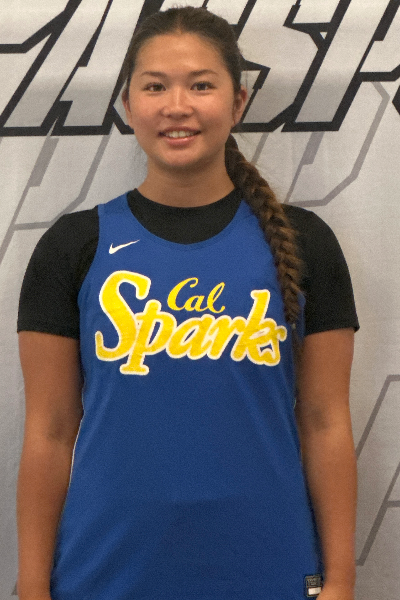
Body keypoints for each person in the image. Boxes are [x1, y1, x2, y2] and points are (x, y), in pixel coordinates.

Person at [16, 6, 359, 600]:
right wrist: (31, 585)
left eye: (201, 85)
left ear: (238, 102)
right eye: (155, 87)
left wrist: (342, 580)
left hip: (269, 567)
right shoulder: (73, 246)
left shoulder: (305, 243)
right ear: (128, 105)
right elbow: (49, 430)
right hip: (107, 571)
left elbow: (325, 420)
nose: (177, 106)